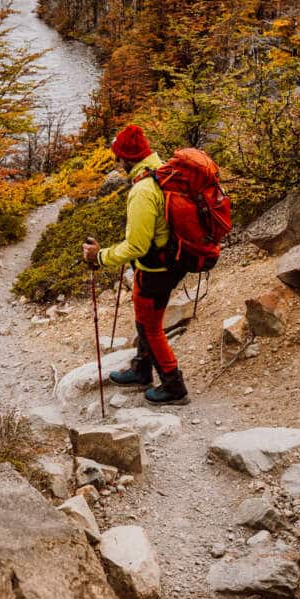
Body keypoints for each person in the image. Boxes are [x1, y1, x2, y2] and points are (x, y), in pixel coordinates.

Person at [82, 124, 189, 406]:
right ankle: (142, 369)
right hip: (171, 261)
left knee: (149, 328)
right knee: (146, 321)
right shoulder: (162, 170)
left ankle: (173, 386)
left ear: (124, 158)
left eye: (117, 157)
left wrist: (99, 256)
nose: (116, 163)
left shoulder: (143, 189)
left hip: (156, 268)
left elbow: (137, 247)